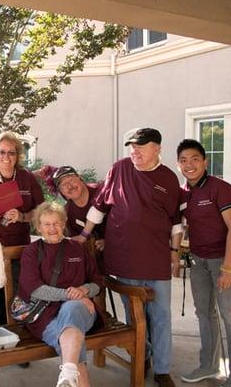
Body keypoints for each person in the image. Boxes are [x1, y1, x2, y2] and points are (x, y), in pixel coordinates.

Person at [75, 128, 182, 387]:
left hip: (156, 261)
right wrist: (83, 235)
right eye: (132, 146)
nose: (134, 151)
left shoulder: (168, 178)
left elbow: (176, 221)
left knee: (161, 315)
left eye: (141, 147)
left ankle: (162, 369)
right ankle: (141, 355)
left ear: (157, 148)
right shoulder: (119, 169)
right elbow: (99, 206)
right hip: (124, 259)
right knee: (134, 316)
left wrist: (175, 253)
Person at [177, 139, 231, 387]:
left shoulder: (221, 188)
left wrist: (227, 268)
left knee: (230, 314)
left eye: (195, 159)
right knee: (204, 314)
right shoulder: (183, 192)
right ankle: (208, 365)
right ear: (178, 165)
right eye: (184, 160)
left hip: (223, 260)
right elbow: (185, 225)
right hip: (198, 261)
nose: (189, 164)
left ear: (205, 161)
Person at [18, 201, 104, 387]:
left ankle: (68, 373)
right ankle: (69, 372)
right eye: (47, 224)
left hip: (81, 310)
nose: (52, 228)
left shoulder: (77, 248)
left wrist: (84, 290)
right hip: (44, 316)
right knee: (73, 340)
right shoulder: (31, 252)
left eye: (56, 223)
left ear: (63, 224)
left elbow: (97, 282)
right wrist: (73, 294)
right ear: (39, 227)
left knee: (72, 309)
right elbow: (36, 290)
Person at [0, 131, 44, 323]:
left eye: (11, 153)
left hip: (20, 249)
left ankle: (17, 334)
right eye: (2, 152)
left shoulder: (26, 177)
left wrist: (22, 216)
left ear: (18, 155)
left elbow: (40, 212)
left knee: (17, 295)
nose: (6, 157)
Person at [52, 166, 105, 249]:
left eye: (71, 180)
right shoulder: (68, 212)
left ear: (80, 178)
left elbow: (123, 221)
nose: (69, 186)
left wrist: (108, 240)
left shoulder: (101, 192)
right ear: (62, 192)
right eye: (64, 185)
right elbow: (77, 240)